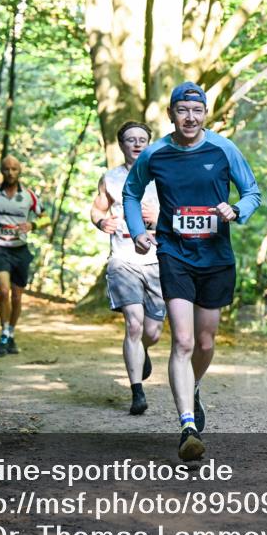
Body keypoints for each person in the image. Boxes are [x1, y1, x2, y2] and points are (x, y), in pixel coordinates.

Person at [123, 81, 261, 461]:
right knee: (182, 341)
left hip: (216, 257)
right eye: (182, 110)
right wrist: (138, 232)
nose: (190, 117)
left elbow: (252, 192)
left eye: (196, 111)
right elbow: (131, 193)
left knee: (204, 342)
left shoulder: (223, 149)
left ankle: (193, 386)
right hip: (175, 253)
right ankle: (187, 425)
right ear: (171, 115)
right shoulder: (155, 154)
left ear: (205, 114)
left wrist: (237, 210)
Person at [91, 121, 165, 416]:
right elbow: (97, 208)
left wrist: (159, 216)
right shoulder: (110, 179)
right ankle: (137, 392)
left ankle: (143, 350)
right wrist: (101, 221)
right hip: (122, 259)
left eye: (142, 139)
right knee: (133, 324)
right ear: (121, 145)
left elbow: (183, 215)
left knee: (153, 331)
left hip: (159, 261)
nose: (136, 144)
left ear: (149, 144)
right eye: (130, 140)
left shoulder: (163, 176)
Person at [0, 156, 44, 356]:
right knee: (4, 292)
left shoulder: (29, 196)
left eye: (14, 169)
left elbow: (45, 216)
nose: (10, 173)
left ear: (19, 171)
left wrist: (33, 225)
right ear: (1, 171)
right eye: (7, 169)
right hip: (0, 249)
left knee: (16, 296)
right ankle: (4, 333)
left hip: (20, 250)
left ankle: (11, 333)